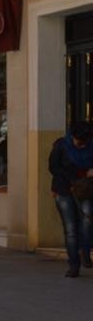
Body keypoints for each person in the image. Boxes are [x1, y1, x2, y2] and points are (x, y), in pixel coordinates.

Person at [48, 119, 93, 278]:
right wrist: (79, 174)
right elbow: (53, 167)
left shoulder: (90, 146)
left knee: (87, 222)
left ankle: (86, 253)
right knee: (71, 230)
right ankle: (74, 265)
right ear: (72, 136)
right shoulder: (61, 145)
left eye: (84, 143)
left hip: (86, 190)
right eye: (79, 141)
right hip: (64, 190)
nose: (81, 145)